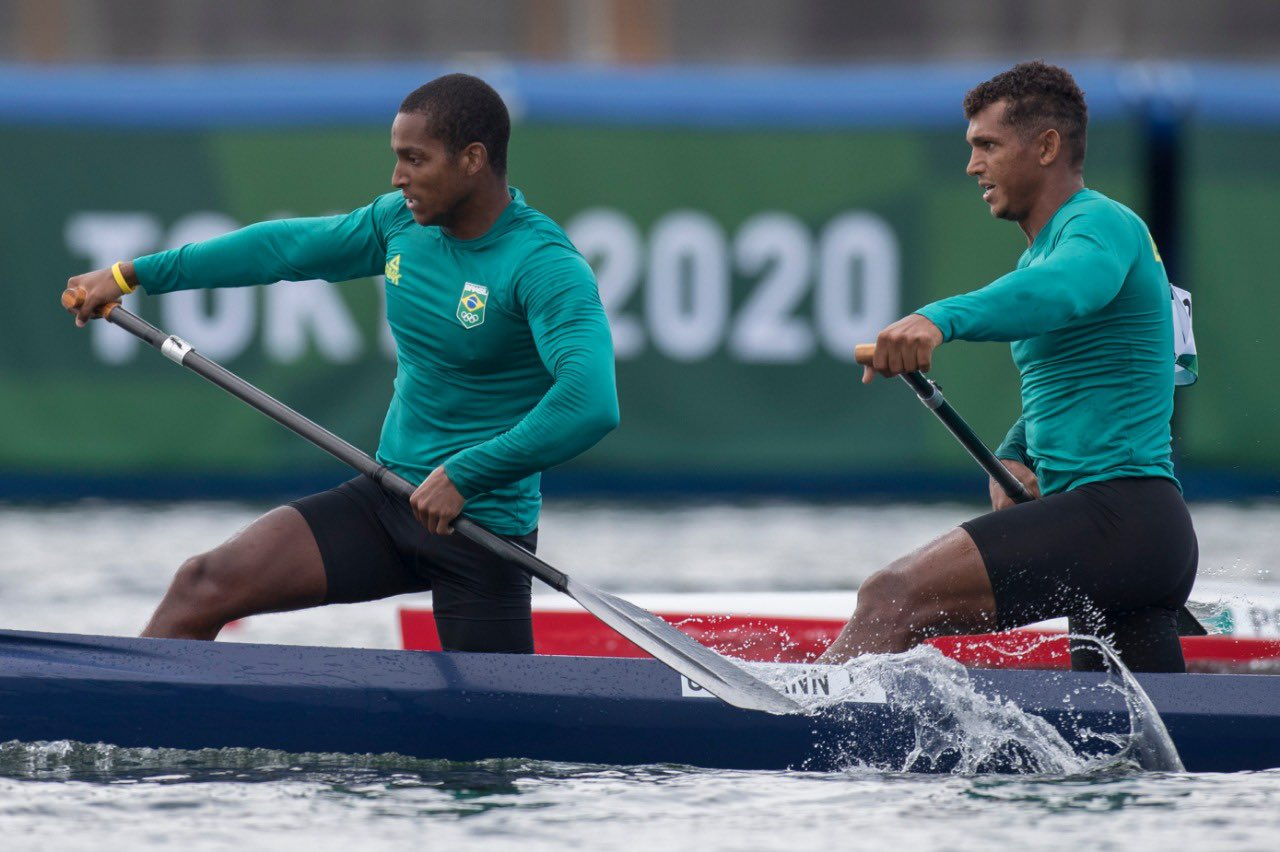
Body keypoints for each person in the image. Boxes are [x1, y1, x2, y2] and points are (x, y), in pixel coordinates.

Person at [65, 73, 620, 654]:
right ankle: (134, 742)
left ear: (473, 159)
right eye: (396, 158)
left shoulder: (544, 266)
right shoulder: (400, 223)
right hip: (387, 499)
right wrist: (130, 275)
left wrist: (464, 474)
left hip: (480, 532)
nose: (398, 177)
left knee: (496, 744)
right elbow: (280, 248)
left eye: (414, 159)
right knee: (202, 584)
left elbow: (590, 402)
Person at [818, 61, 1197, 672]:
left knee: (891, 597)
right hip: (1135, 537)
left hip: (1118, 518)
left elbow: (1066, 289)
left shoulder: (1098, 224)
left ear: (1046, 146)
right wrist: (1017, 451)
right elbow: (1077, 383)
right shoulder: (1044, 255)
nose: (973, 166)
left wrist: (940, 317)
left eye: (987, 146)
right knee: (1131, 758)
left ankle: (795, 725)